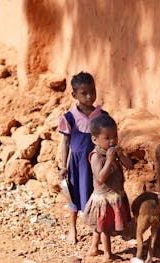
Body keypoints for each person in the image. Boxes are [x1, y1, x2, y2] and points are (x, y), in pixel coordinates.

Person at [58, 72, 108, 244]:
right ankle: (72, 227)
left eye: (92, 92)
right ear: (74, 95)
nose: (89, 96)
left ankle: (97, 230)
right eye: (84, 93)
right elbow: (65, 143)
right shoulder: (69, 118)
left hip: (96, 163)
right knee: (74, 195)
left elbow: (108, 137)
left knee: (96, 194)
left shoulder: (101, 115)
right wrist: (63, 166)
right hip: (77, 164)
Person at [84, 114, 133, 262]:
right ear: (95, 140)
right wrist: (110, 160)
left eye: (115, 137)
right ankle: (108, 254)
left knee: (100, 226)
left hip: (114, 195)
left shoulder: (112, 152)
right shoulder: (97, 156)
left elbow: (129, 166)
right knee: (105, 228)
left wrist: (121, 155)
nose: (112, 141)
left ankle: (94, 248)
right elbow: (100, 179)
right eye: (107, 138)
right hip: (104, 198)